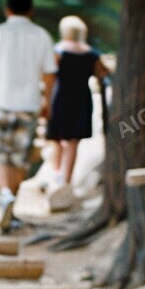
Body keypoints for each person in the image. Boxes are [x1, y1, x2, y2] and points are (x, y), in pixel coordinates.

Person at [0, 0, 57, 231]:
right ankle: (10, 204)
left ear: (7, 9)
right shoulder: (42, 35)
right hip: (29, 104)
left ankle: (4, 195)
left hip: (0, 102)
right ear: (31, 10)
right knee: (20, 158)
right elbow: (49, 73)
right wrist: (47, 102)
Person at [47, 15, 109, 191]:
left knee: (57, 137)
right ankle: (66, 181)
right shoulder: (92, 54)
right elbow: (102, 74)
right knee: (74, 141)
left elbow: (48, 74)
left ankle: (56, 173)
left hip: (60, 97)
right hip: (81, 98)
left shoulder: (58, 51)